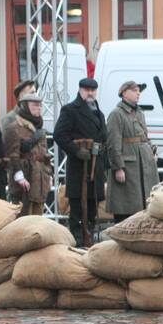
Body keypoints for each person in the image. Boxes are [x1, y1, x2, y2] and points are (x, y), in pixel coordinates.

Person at [53, 78, 108, 245]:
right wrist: (76, 151)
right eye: (86, 90)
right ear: (80, 90)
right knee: (77, 206)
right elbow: (59, 135)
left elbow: (103, 137)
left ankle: (89, 236)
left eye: (93, 90)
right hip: (79, 167)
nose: (90, 93)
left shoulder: (99, 112)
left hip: (95, 165)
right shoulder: (70, 110)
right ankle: (77, 239)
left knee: (92, 205)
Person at [106, 80, 160, 222]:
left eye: (139, 91)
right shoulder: (116, 114)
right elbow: (113, 143)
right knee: (126, 206)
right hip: (129, 166)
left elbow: (144, 136)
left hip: (144, 163)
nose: (138, 93)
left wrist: (151, 152)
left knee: (144, 204)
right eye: (134, 90)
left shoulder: (139, 112)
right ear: (124, 93)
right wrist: (118, 167)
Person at [4, 93, 52, 216]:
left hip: (40, 177)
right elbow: (12, 155)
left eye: (40, 105)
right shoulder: (14, 127)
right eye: (34, 105)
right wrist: (19, 176)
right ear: (25, 106)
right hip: (25, 176)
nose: (39, 108)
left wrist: (49, 173)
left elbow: (44, 154)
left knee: (38, 215)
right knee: (23, 215)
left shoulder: (39, 128)